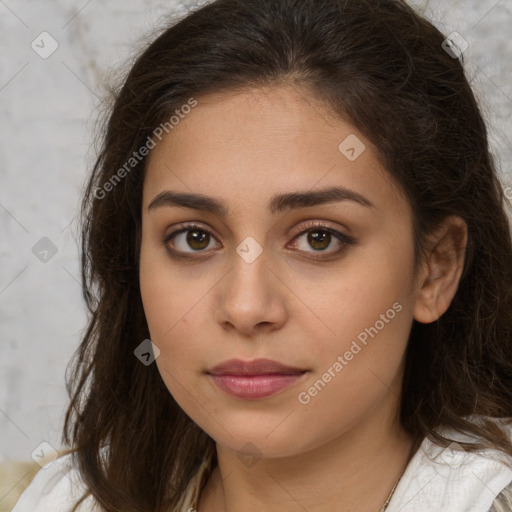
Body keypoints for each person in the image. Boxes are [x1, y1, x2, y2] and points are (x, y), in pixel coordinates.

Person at [12, 0, 512, 510]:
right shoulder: (68, 500)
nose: (246, 308)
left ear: (436, 269)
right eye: (194, 238)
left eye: (320, 238)